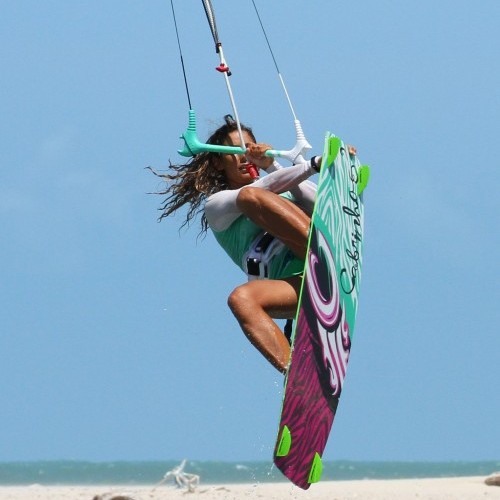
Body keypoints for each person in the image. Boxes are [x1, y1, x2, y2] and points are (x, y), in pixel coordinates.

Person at [152, 115, 321, 373]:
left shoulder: (285, 187)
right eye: (234, 150)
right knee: (240, 298)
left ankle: (321, 257)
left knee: (279, 197)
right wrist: (307, 166)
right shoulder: (217, 206)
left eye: (249, 149)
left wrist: (272, 164)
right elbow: (253, 194)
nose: (244, 156)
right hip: (296, 287)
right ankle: (296, 375)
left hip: (316, 256)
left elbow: (319, 202)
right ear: (219, 163)